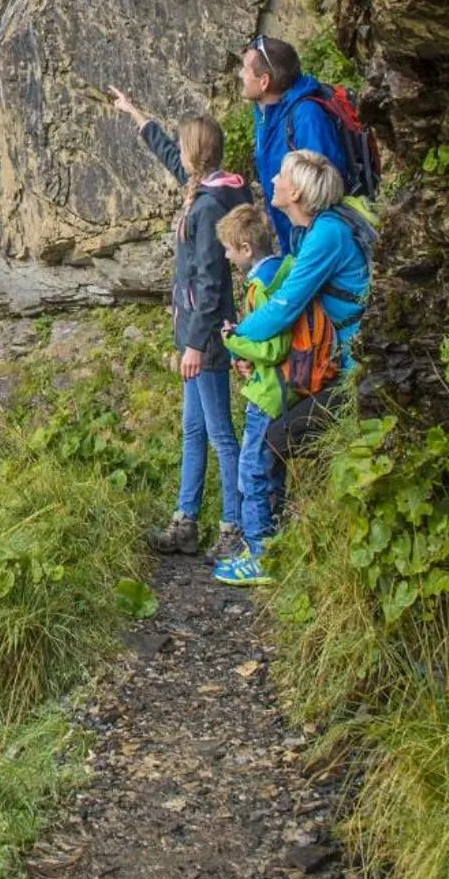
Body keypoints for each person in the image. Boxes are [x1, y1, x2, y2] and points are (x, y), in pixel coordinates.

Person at [214, 149, 376, 584]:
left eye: (282, 177)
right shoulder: (330, 223)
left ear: (298, 192)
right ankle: (279, 542)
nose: (274, 182)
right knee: (280, 435)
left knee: (275, 437)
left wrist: (237, 339)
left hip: (355, 371)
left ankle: (267, 553)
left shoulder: (325, 235)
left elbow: (284, 307)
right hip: (346, 364)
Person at [109, 90, 251, 560]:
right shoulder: (206, 189)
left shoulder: (210, 206)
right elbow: (174, 160)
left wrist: (193, 345)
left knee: (220, 432)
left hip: (206, 337)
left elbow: (210, 283)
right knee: (194, 430)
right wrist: (138, 116)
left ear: (196, 154)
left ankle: (234, 528)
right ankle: (185, 521)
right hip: (196, 333)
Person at [213, 203, 287, 586]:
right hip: (272, 388)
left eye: (228, 248)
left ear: (244, 248)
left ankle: (259, 554)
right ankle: (273, 546)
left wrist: (235, 342)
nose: (226, 255)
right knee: (270, 471)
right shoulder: (279, 272)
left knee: (252, 471)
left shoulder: (263, 287)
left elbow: (274, 350)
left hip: (268, 395)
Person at [242, 36, 346, 254]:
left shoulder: (307, 117)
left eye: (245, 70)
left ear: (264, 82)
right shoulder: (266, 112)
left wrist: (308, 253)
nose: (241, 75)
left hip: (316, 244)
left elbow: (321, 191)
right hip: (292, 237)